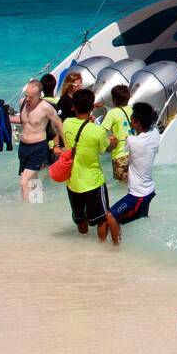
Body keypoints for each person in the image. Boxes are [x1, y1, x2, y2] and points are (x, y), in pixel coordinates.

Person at [61, 90, 120, 244]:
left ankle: (83, 244)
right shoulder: (97, 131)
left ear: (73, 107)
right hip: (93, 182)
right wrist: (113, 142)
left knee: (80, 219)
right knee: (102, 219)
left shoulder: (66, 123)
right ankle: (101, 247)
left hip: (73, 181)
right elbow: (104, 149)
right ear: (92, 108)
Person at [10, 79, 63, 202]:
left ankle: (26, 214)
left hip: (38, 147)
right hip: (23, 147)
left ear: (40, 95)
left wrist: (61, 144)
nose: (27, 99)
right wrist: (7, 119)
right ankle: (38, 205)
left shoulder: (46, 108)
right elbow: (25, 121)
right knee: (33, 178)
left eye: (31, 97)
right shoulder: (22, 102)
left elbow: (59, 124)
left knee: (24, 181)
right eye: (26, 95)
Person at [110, 102, 160, 225]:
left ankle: (115, 244)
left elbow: (118, 147)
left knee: (110, 217)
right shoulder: (155, 133)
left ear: (137, 122)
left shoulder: (132, 141)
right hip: (149, 190)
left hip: (138, 194)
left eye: (132, 118)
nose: (130, 119)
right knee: (138, 222)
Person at [99, 85, 134, 183]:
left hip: (120, 155)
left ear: (114, 99)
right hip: (136, 154)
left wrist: (108, 142)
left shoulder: (112, 113)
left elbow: (100, 132)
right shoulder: (134, 109)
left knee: (123, 187)